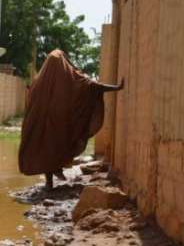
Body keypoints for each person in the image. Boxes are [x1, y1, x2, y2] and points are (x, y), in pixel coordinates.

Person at [18, 49, 124, 190]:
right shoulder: (71, 79)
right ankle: (55, 173)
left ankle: (50, 181)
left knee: (46, 149)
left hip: (46, 128)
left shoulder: (38, 84)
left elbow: (29, 105)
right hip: (61, 127)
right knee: (56, 147)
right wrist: (116, 88)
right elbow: (93, 87)